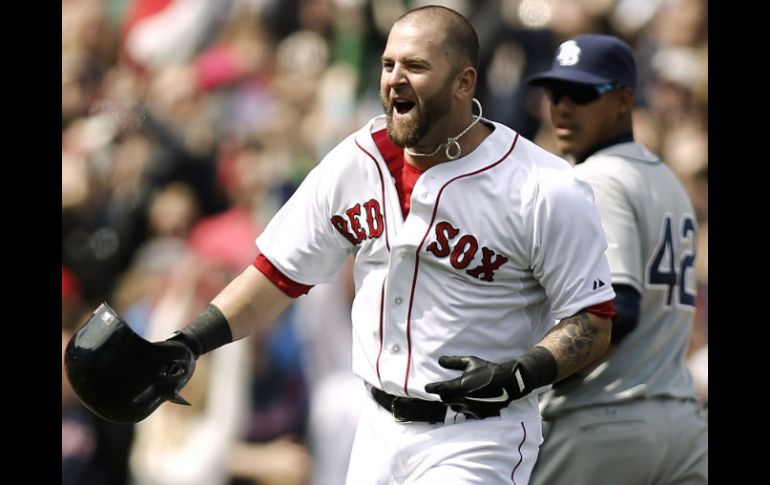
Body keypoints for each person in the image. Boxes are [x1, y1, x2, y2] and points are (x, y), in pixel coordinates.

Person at [69, 7, 616, 484]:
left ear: (464, 83)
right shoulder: (358, 159)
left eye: (416, 67)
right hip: (374, 426)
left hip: (477, 437)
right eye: (388, 65)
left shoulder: (543, 187)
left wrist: (517, 374)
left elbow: (592, 321)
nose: (396, 79)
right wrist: (191, 343)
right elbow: (278, 272)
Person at [525, 34, 708, 484]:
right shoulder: (666, 180)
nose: (563, 107)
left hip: (604, 423)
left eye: (583, 93)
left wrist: (521, 373)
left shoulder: (595, 179)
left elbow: (616, 310)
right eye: (555, 92)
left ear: (625, 100)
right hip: (681, 426)